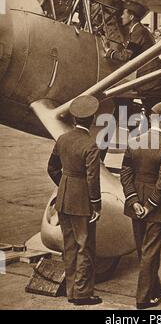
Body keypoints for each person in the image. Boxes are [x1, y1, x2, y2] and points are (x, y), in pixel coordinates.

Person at [47, 95, 102, 306]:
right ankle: (82, 294)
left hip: (64, 200)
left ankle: (71, 291)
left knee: (69, 247)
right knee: (85, 248)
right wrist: (96, 204)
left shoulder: (62, 139)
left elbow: (52, 168)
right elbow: (92, 179)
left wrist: (65, 185)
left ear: (74, 118)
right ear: (92, 119)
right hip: (82, 203)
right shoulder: (90, 145)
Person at [120, 102, 161, 310]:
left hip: (136, 203)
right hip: (156, 207)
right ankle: (143, 298)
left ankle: (155, 286)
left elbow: (125, 173)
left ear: (150, 119)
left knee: (144, 250)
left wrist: (134, 201)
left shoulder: (133, 142)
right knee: (151, 251)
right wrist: (150, 205)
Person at [103, 1, 161, 115]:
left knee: (157, 114)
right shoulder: (137, 31)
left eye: (123, 14)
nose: (121, 16)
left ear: (131, 17)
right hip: (153, 80)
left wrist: (109, 52)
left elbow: (126, 56)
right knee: (156, 115)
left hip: (152, 81)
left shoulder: (138, 32)